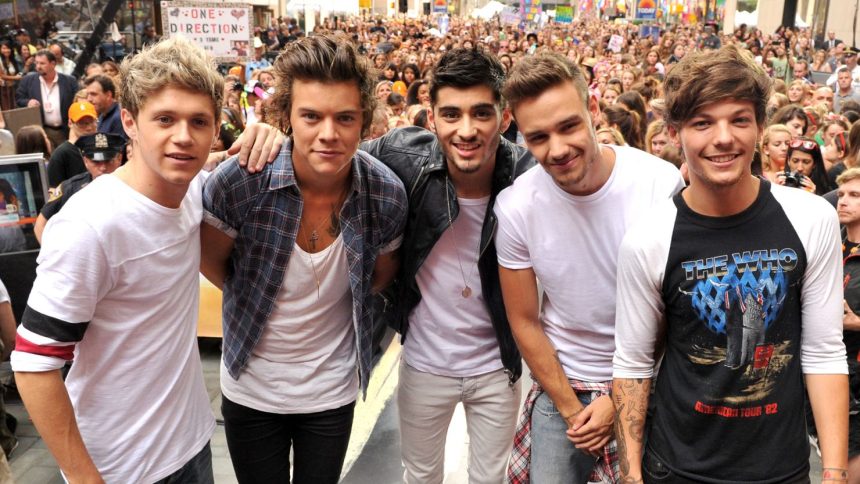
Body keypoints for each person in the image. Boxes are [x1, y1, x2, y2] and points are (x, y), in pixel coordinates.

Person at [612, 44, 848, 484]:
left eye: (739, 119)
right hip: (678, 465)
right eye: (703, 123)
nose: (723, 138)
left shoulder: (811, 217)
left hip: (781, 467)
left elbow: (823, 351)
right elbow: (632, 366)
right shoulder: (648, 238)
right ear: (676, 131)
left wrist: (833, 473)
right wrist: (630, 476)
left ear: (760, 126)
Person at [11, 36, 226, 483]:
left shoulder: (192, 191)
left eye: (198, 121)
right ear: (129, 121)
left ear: (215, 126)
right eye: (164, 119)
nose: (183, 137)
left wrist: (266, 135)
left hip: (191, 445)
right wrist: (86, 478)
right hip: (119, 469)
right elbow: (33, 365)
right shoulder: (90, 226)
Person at [200, 34, 407, 484]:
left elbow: (378, 278)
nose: (328, 133)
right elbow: (215, 265)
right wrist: (254, 291)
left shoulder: (385, 194)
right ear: (286, 116)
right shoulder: (241, 182)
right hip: (251, 390)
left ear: (365, 121)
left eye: (345, 118)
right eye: (311, 116)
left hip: (331, 393)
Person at [495, 51, 683, 483]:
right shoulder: (517, 207)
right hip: (564, 388)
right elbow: (523, 320)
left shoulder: (659, 184)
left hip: (650, 381)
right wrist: (572, 409)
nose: (557, 149)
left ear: (592, 110)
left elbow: (675, 310)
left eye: (568, 126)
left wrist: (618, 399)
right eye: (538, 137)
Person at [361, 48, 533, 484]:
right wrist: (270, 133)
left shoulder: (530, 176)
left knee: (490, 478)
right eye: (451, 114)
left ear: (505, 117)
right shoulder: (402, 157)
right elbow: (331, 155)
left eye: (481, 113)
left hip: (498, 369)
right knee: (419, 477)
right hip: (424, 364)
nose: (467, 130)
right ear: (432, 117)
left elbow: (594, 169)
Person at [34, 133, 125, 242]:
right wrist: (52, 257)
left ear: (119, 159)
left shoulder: (134, 185)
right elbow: (40, 225)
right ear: (85, 161)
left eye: (108, 161)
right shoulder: (71, 188)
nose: (103, 167)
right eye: (96, 162)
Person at [836, 168, 860, 484]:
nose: (843, 201)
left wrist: (857, 323)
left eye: (855, 196)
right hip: (831, 374)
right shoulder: (832, 247)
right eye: (841, 194)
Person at [14, 49, 77, 150]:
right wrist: (28, 102)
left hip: (65, 130)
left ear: (53, 64)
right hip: (42, 131)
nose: (38, 66)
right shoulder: (28, 81)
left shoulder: (69, 81)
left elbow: (77, 101)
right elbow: (18, 99)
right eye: (37, 63)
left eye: (42, 63)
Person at [47, 101, 98, 187]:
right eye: (82, 123)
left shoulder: (102, 147)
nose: (89, 128)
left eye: (92, 122)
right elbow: (54, 191)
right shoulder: (61, 154)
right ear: (70, 123)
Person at [83, 75, 125, 139]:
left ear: (108, 95)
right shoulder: (102, 115)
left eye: (93, 94)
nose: (89, 99)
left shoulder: (119, 117)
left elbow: (119, 148)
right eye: (87, 95)